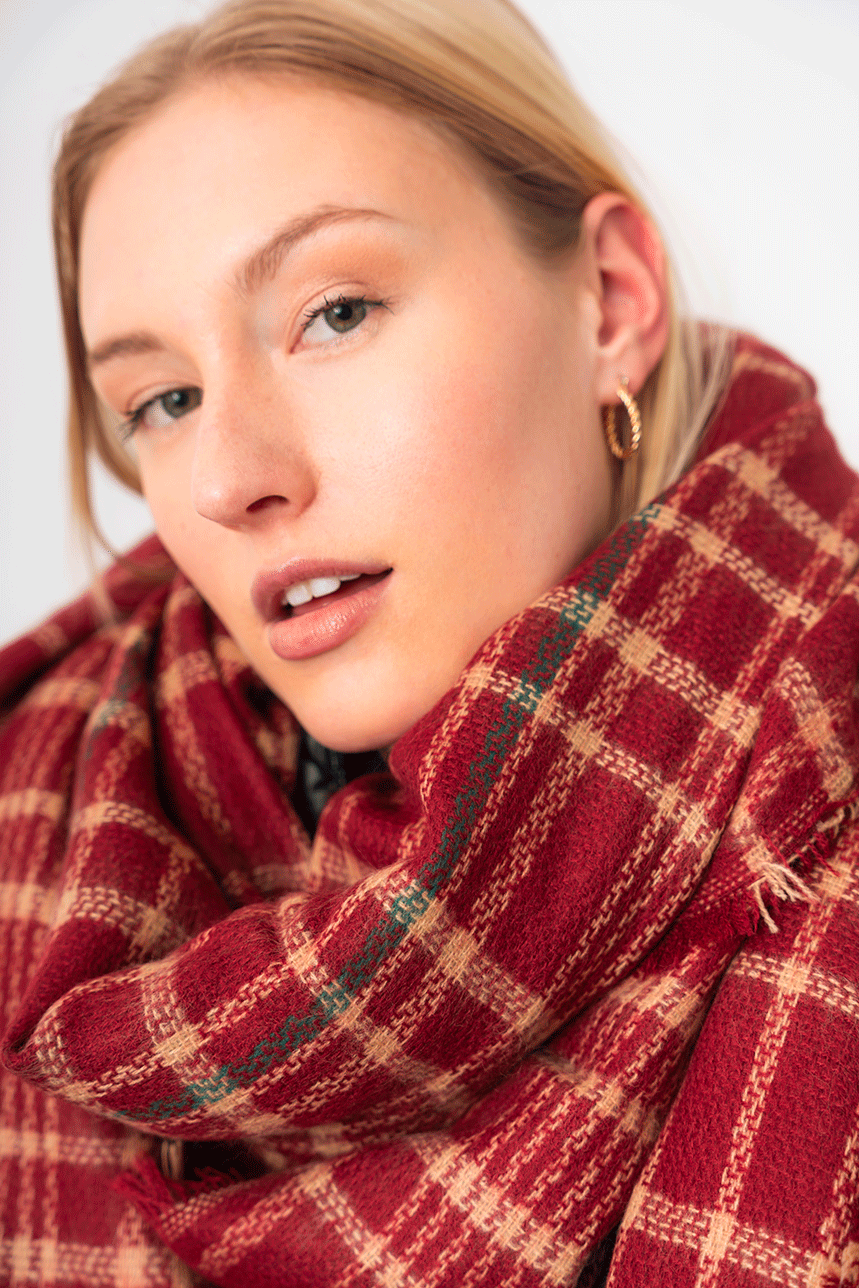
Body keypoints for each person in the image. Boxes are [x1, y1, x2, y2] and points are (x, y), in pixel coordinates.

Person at [0, 0, 856, 1284]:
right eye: (163, 398)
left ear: (611, 303)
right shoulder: (39, 814)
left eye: (336, 313)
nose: (230, 477)